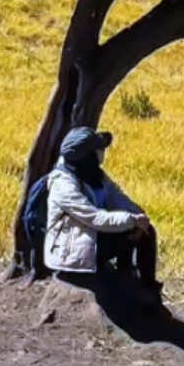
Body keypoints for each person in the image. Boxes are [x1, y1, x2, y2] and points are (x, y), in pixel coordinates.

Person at [44, 126, 163, 305]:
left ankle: (142, 286)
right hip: (70, 251)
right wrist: (131, 220)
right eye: (97, 149)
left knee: (146, 232)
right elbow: (94, 218)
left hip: (91, 238)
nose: (102, 152)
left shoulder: (94, 175)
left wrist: (139, 217)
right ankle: (126, 281)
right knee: (126, 231)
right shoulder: (63, 184)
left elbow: (119, 199)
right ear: (87, 156)